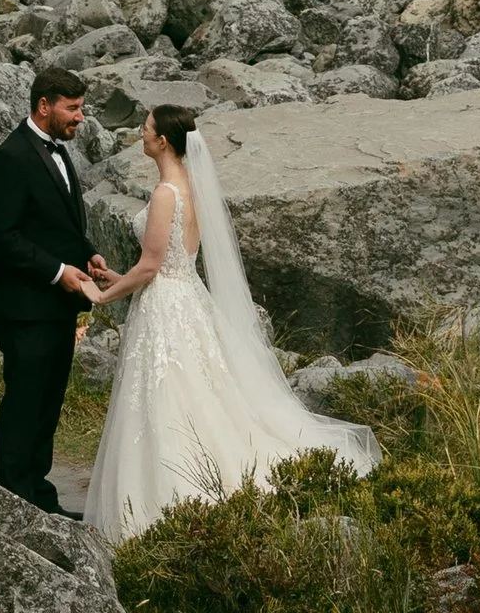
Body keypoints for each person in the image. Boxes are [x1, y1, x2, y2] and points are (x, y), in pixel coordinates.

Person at [81, 99, 379, 550]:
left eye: (145, 129)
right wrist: (119, 277)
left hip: (165, 304)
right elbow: (170, 264)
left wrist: (103, 294)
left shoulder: (166, 193)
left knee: (165, 399)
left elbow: (151, 267)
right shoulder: (191, 187)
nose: (140, 135)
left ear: (162, 140)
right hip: (184, 295)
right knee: (195, 392)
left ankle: (160, 506)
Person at [0, 62, 106, 509]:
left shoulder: (56, 148)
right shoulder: (9, 159)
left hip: (54, 306)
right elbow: (1, 236)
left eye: (81, 108)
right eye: (72, 108)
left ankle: (41, 498)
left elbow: (55, 221)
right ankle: (14, 504)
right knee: (24, 406)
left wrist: (86, 252)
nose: (79, 117)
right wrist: (58, 271)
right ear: (44, 105)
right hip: (22, 307)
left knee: (48, 405)